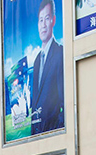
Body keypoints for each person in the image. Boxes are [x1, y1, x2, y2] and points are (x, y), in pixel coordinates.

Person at [29, 0, 64, 135]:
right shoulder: (37, 60)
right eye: (40, 20)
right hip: (37, 138)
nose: (43, 25)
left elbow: (64, 102)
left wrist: (55, 130)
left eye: (47, 19)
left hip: (53, 134)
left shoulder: (60, 53)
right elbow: (35, 103)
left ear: (53, 21)